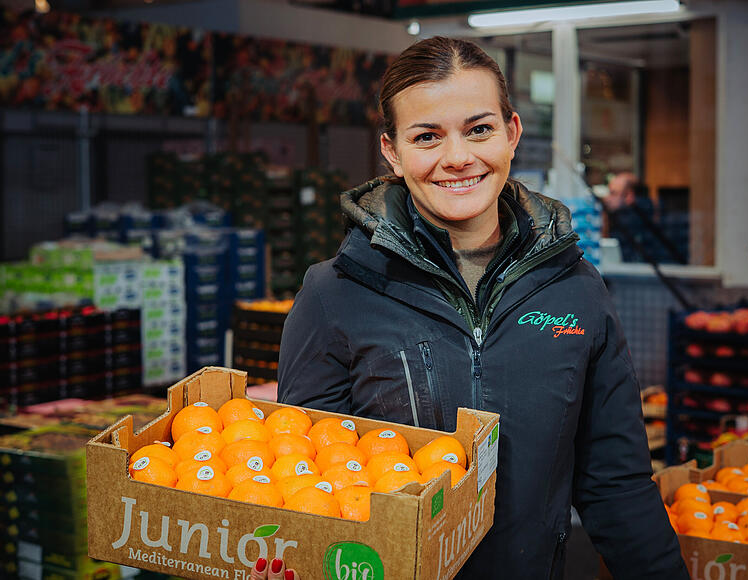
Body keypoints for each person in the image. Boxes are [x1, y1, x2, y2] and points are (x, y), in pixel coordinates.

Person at [251, 36, 688, 579]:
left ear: (512, 134)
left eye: (478, 129)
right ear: (392, 151)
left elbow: (616, 486)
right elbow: (301, 480)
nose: (457, 158)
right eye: (427, 136)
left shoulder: (576, 289)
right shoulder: (333, 294)